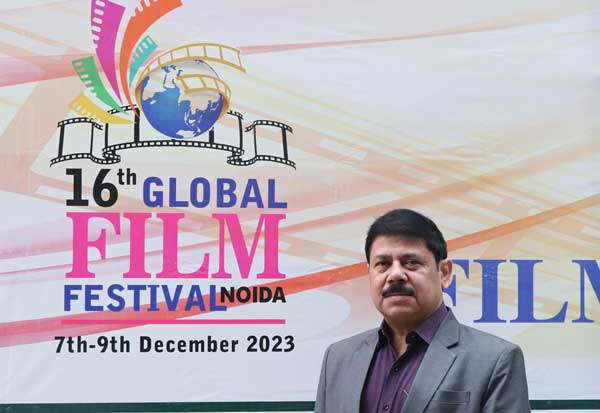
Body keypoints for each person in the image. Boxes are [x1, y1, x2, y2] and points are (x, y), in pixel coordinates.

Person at [314, 209, 529, 413]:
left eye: (411, 262)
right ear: (370, 273)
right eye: (383, 264)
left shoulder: (495, 360)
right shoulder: (338, 358)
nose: (395, 275)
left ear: (444, 273)